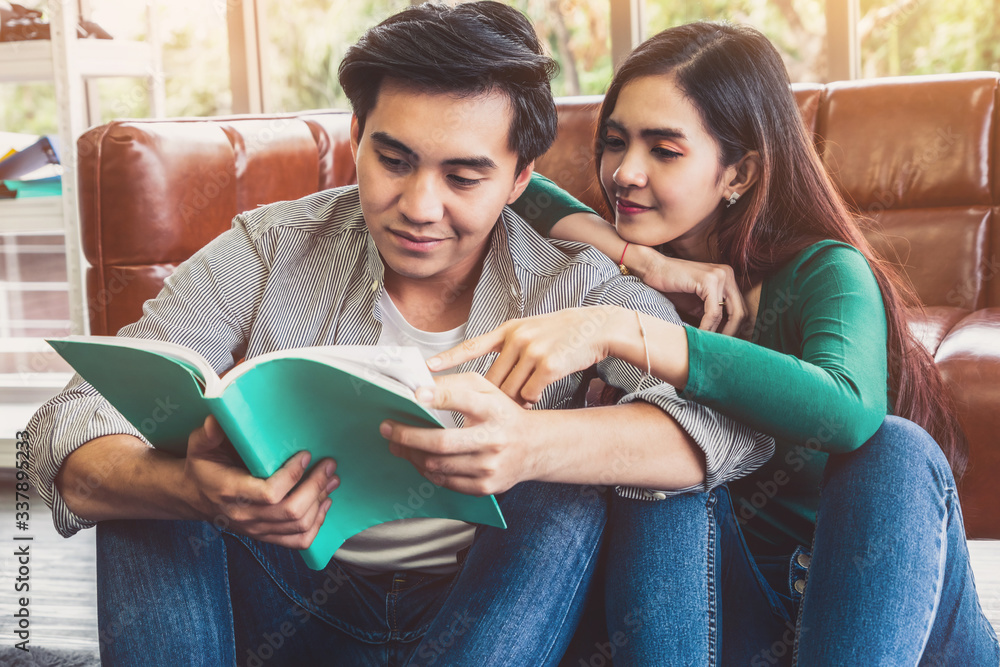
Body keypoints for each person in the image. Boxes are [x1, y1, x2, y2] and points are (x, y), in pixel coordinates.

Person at [24, 6, 773, 666]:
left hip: (487, 615)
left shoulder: (580, 287)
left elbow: (724, 429)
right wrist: (190, 488)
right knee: (150, 495)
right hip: (292, 594)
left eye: (464, 176)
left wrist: (529, 445)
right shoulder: (270, 249)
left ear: (520, 178)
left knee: (562, 485)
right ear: (357, 134)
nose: (419, 205)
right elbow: (70, 422)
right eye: (394, 159)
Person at [428, 21, 1000, 665]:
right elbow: (510, 177)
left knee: (894, 448)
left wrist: (629, 333)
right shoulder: (634, 274)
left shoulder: (823, 271)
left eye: (664, 150)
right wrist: (638, 260)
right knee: (649, 453)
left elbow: (848, 411)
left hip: (886, 620)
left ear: (740, 172)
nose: (624, 173)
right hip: (732, 613)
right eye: (615, 142)